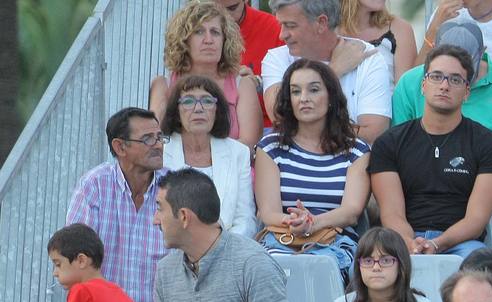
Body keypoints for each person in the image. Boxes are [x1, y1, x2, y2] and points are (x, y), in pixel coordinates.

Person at [150, 169, 298, 302]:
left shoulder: (252, 262)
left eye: (160, 209)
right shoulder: (165, 270)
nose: (155, 220)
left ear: (183, 217)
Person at [370, 46, 492, 257]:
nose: (444, 86)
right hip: (403, 240)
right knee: (367, 268)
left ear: (466, 92)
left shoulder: (490, 144)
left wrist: (438, 244)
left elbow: (476, 220)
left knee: (482, 268)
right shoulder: (389, 143)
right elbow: (392, 214)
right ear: (423, 85)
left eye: (455, 80)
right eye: (436, 77)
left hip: (462, 242)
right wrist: (411, 244)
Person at [394, 20, 492, 238]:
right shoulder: (410, 82)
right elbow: (398, 148)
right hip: (421, 180)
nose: (448, 81)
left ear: (482, 53)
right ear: (433, 51)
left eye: (465, 66)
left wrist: (463, 176)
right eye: (439, 75)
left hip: (487, 178)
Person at [256, 58, 372, 280]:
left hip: (336, 240)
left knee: (323, 270)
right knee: (271, 270)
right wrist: (297, 224)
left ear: (330, 97)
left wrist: (313, 223)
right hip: (282, 237)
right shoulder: (270, 147)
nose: (304, 99)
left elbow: (351, 212)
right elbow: (269, 212)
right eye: (296, 92)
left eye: (314, 90)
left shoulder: (356, 150)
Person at [66, 107, 167, 302]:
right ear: (120, 147)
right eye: (148, 139)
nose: (158, 145)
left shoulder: (174, 187)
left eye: (159, 137)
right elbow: (74, 262)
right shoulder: (94, 186)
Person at [261, 0, 392, 143]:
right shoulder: (276, 58)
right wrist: (334, 70)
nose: (282, 35)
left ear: (322, 23)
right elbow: (280, 118)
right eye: (281, 25)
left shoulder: (368, 57)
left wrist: (305, 127)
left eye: (290, 25)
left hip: (354, 162)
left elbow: (373, 134)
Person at [149, 0, 263, 147]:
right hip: (174, 167)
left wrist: (206, 161)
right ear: (184, 40)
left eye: (215, 32)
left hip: (230, 167)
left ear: (225, 40)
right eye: (199, 32)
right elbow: (155, 137)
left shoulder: (243, 85)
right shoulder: (163, 85)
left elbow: (248, 144)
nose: (208, 40)